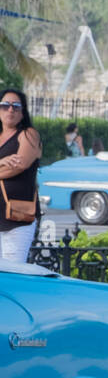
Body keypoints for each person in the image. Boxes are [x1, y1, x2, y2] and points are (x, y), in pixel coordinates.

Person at [0, 88, 42, 264]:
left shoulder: (28, 134)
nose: (10, 110)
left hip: (16, 218)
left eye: (16, 106)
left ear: (23, 112)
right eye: (5, 105)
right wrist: (3, 161)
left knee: (12, 271)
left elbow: (20, 165)